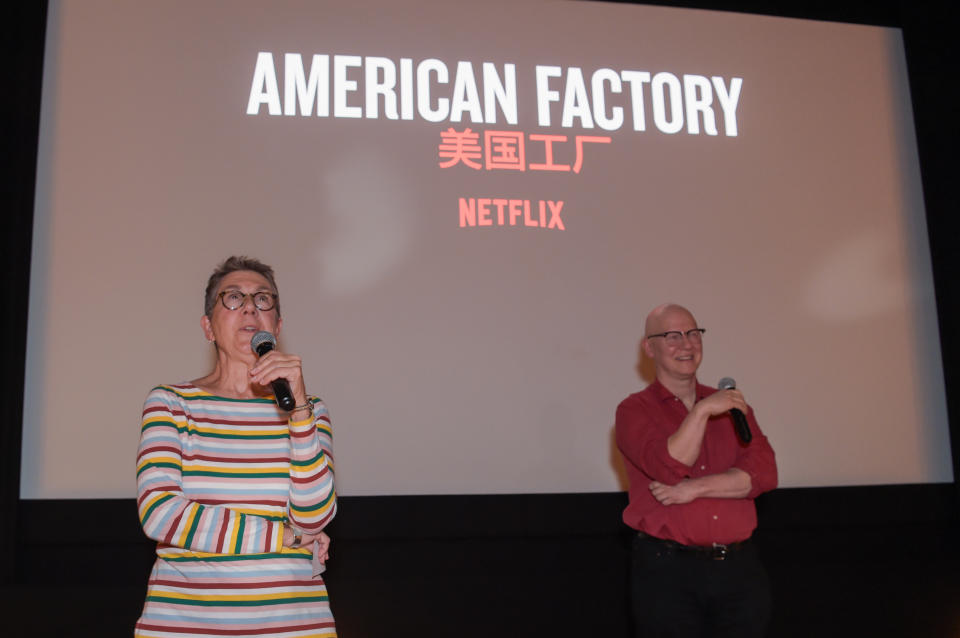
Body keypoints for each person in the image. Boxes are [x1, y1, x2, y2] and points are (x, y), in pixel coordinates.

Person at [135, 256, 338, 638]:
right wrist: (284, 537)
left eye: (264, 299)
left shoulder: (311, 410)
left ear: (276, 326)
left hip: (295, 626)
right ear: (208, 327)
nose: (250, 306)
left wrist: (297, 415)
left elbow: (315, 520)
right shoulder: (172, 403)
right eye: (233, 298)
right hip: (183, 627)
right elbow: (161, 513)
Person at [615, 303, 777, 638]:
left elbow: (764, 473)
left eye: (693, 333)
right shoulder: (634, 410)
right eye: (672, 336)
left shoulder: (732, 407)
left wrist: (694, 489)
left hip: (739, 569)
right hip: (668, 572)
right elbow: (670, 466)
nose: (687, 344)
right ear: (649, 347)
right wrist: (702, 411)